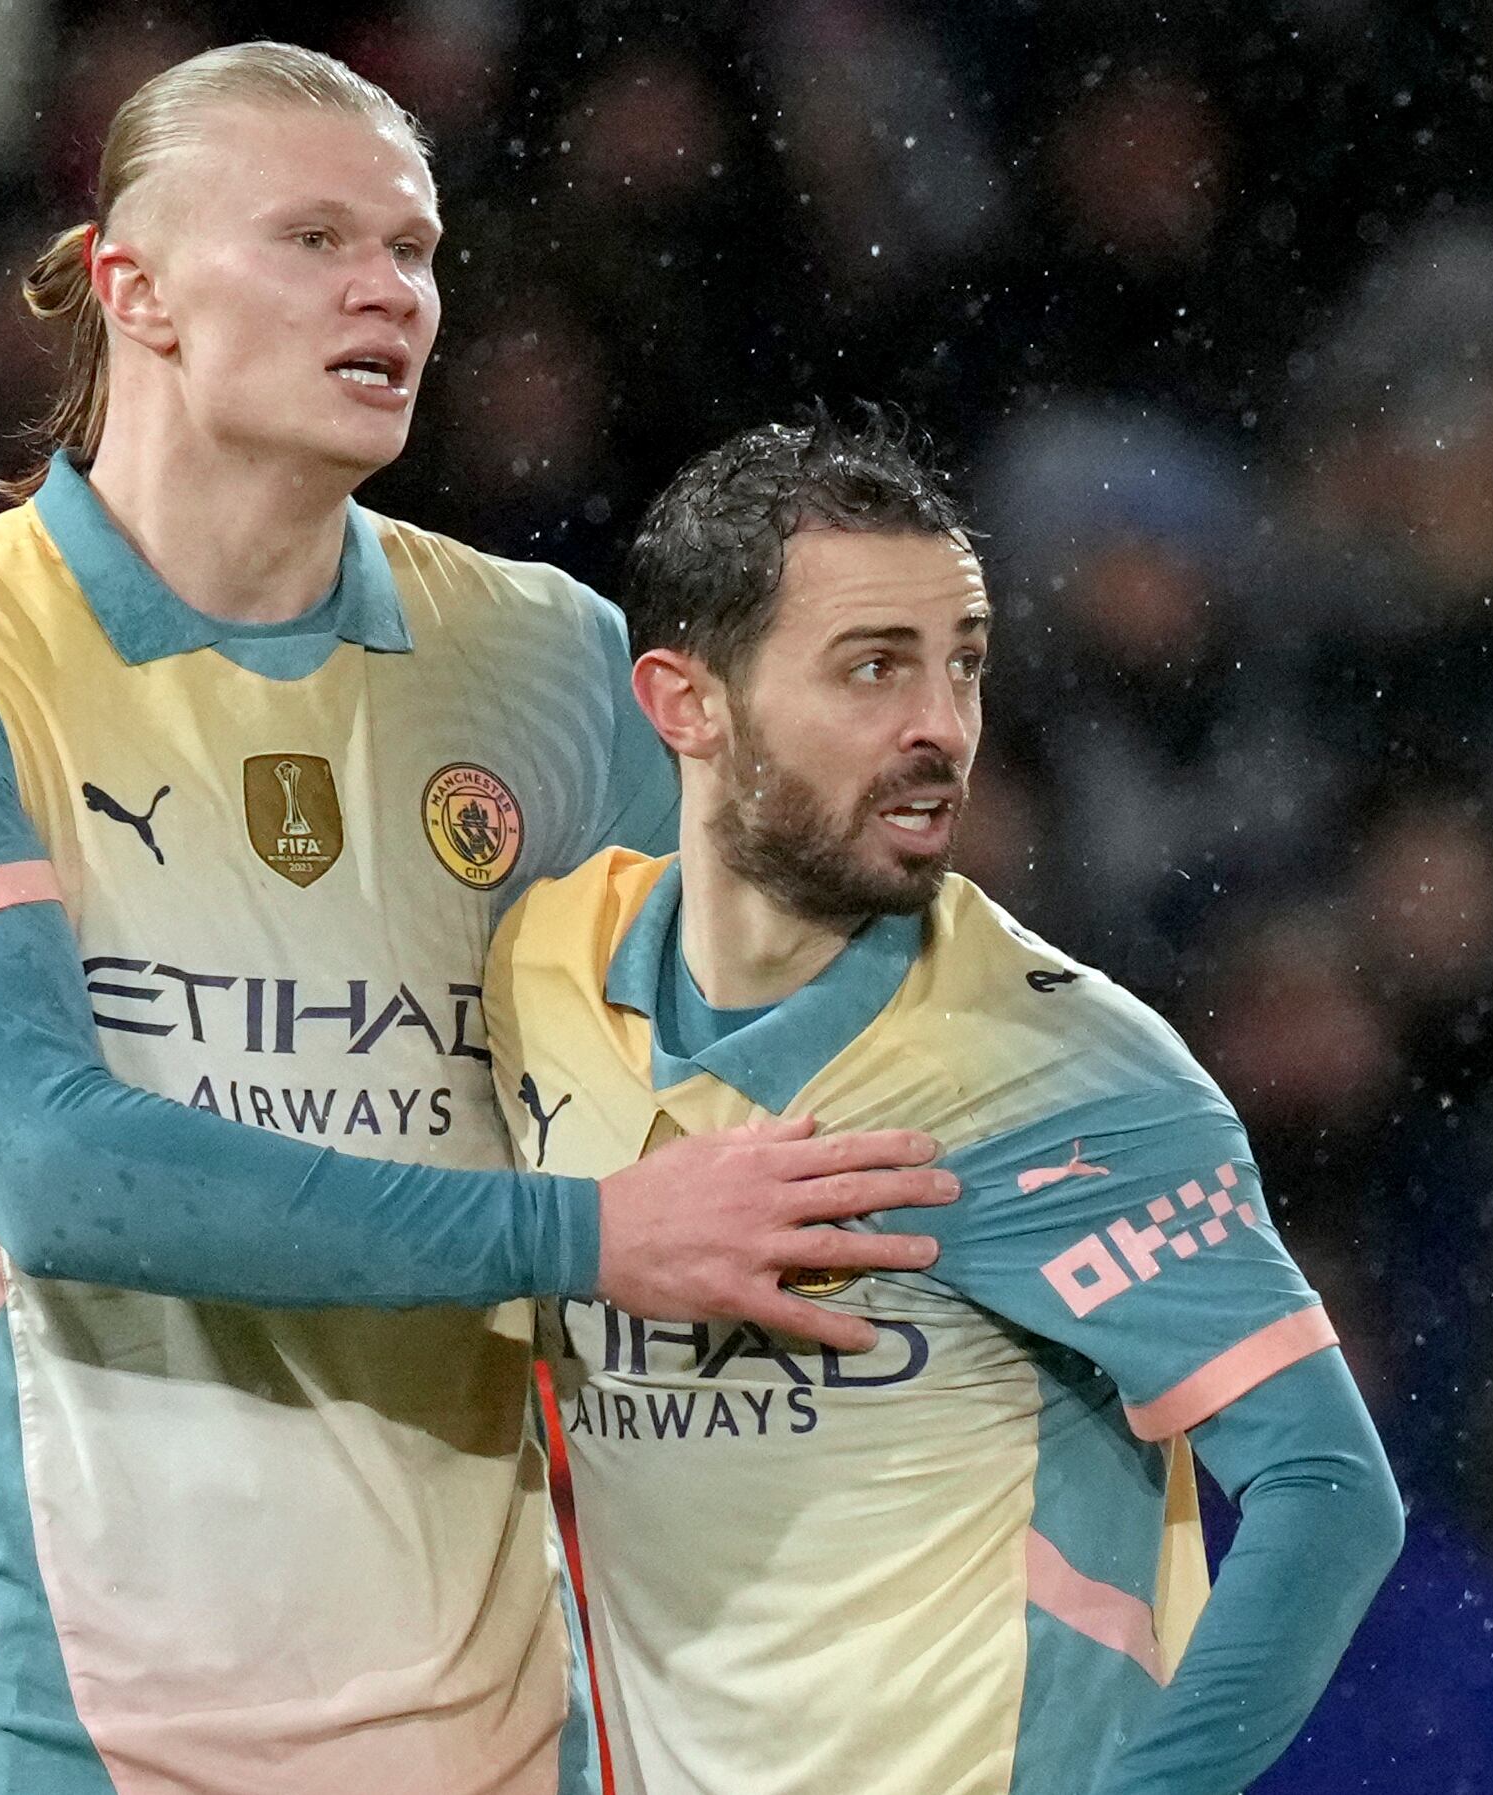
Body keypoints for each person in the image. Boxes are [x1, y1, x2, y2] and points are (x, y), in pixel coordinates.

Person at [0, 43, 953, 1795]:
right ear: (134, 289)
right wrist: (588, 1236)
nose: (388, 289)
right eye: (314, 238)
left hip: (497, 1734)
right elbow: (59, 1171)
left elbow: (819, 1048)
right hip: (69, 1727)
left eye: (414, 249)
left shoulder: (547, 656)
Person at [483, 410, 1405, 1795]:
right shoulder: (532, 972)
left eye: (962, 664)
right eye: (875, 667)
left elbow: (1329, 1497)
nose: (942, 729)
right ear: (685, 705)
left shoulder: (1065, 1067)